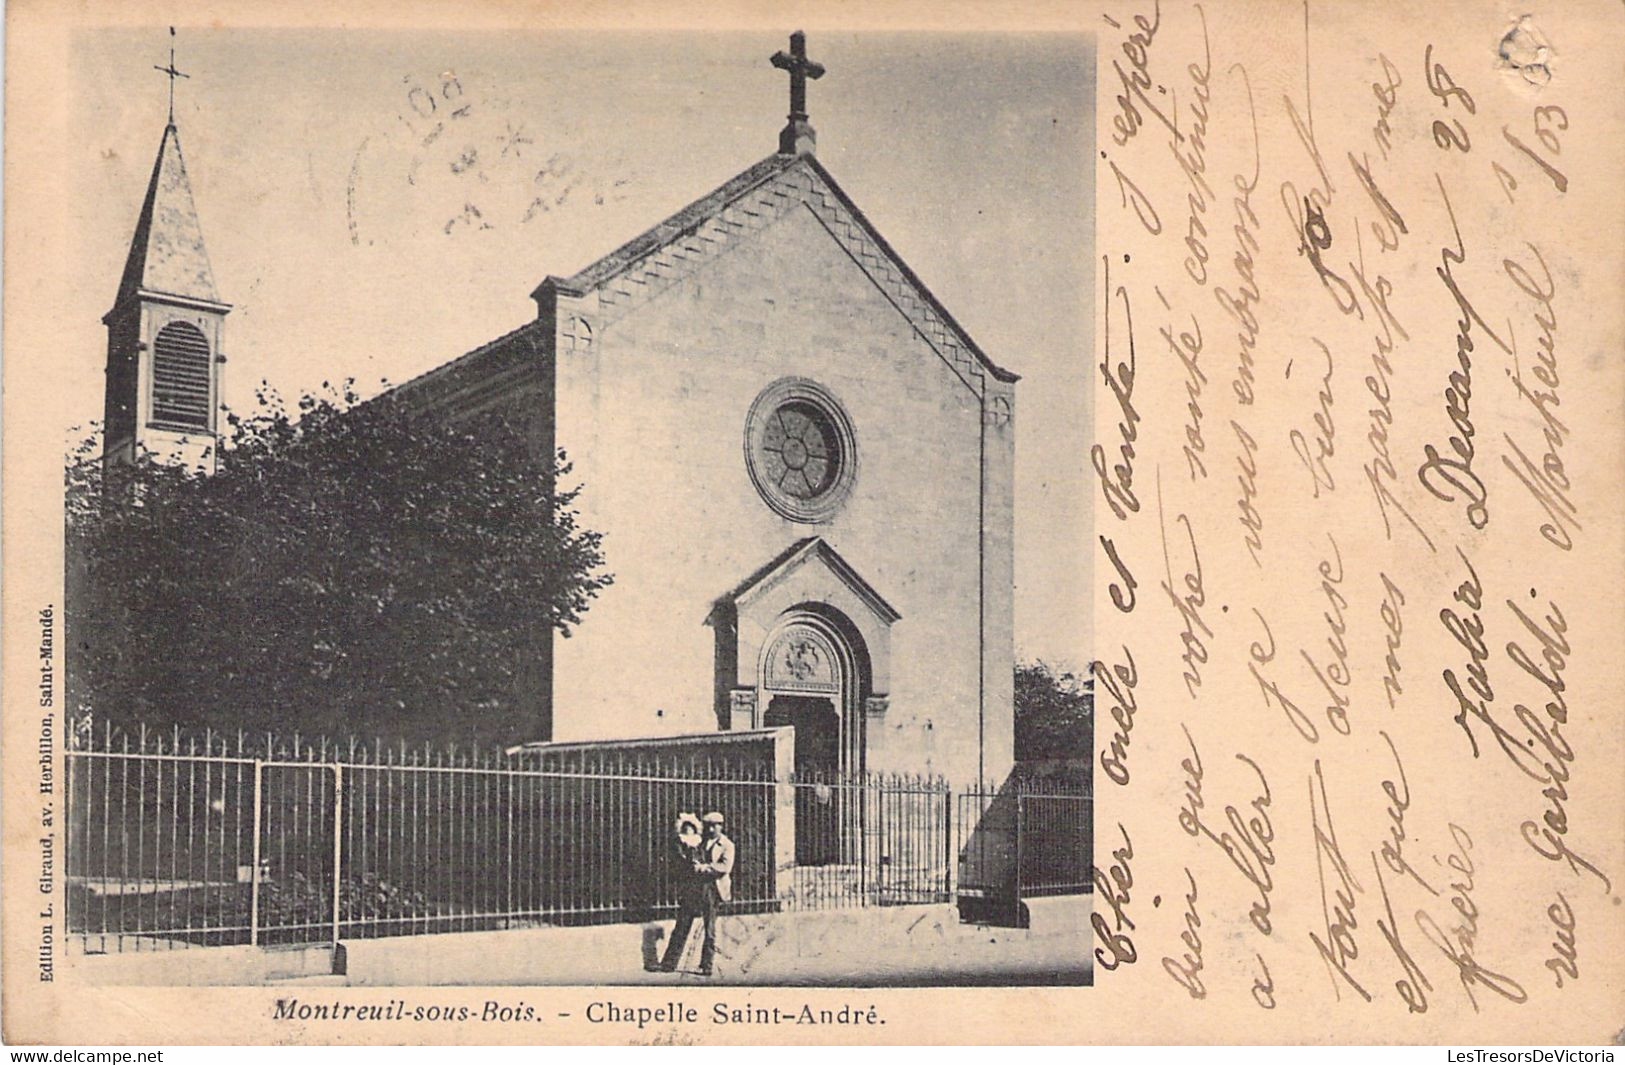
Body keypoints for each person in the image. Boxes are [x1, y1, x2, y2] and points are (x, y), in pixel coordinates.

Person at [656, 810, 734, 976]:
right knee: (682, 924)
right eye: (709, 826)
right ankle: (669, 963)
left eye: (715, 826)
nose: (712, 829)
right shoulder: (699, 841)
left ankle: (706, 966)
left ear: (721, 826)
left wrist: (704, 868)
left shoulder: (727, 845)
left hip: (713, 888)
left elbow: (724, 867)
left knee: (710, 928)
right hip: (694, 887)